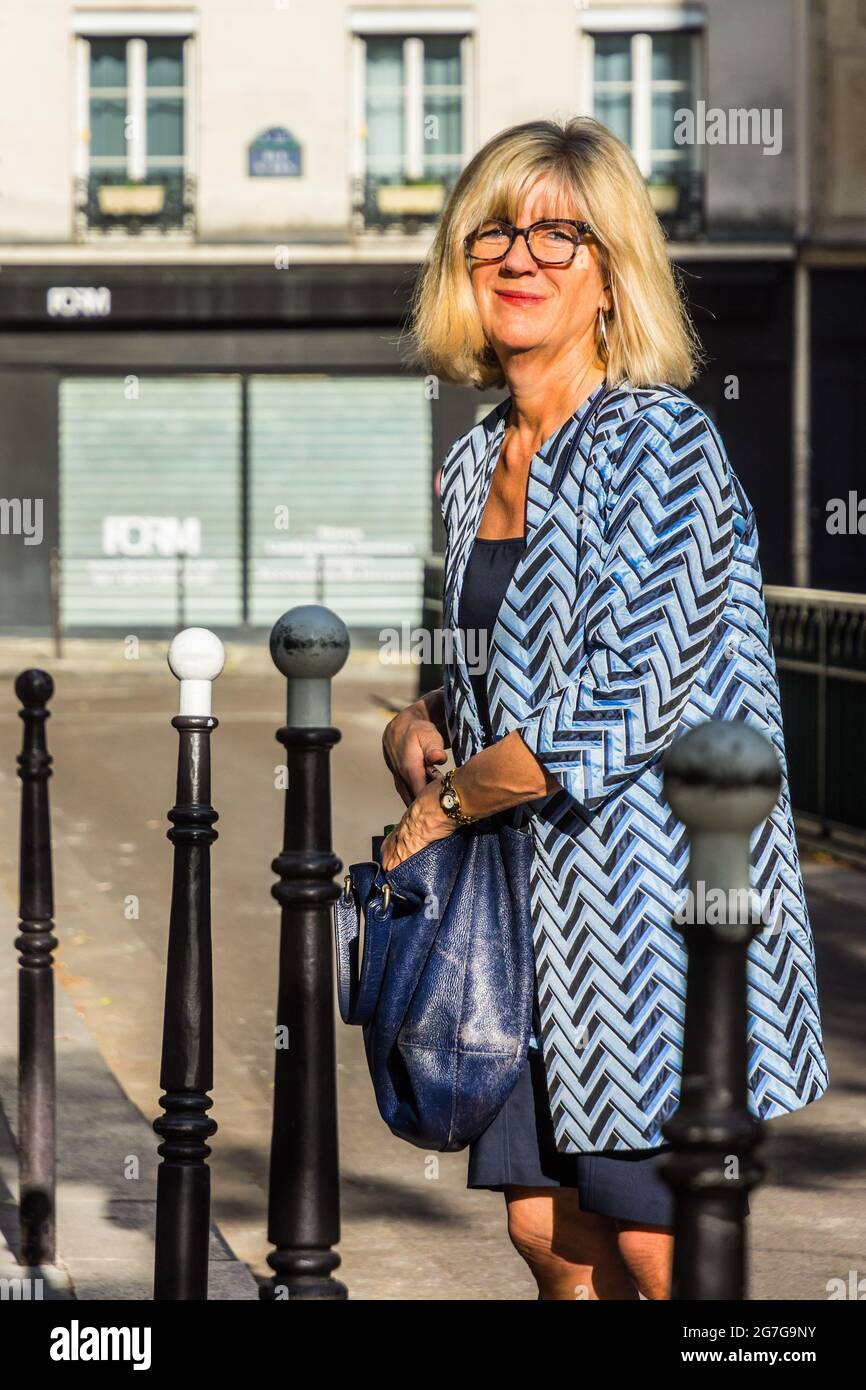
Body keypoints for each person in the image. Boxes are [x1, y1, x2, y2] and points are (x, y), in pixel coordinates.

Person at [380, 116, 828, 1301]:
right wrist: (418, 722)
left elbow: (619, 704)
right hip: (523, 917)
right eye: (496, 230)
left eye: (559, 235)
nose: (519, 257)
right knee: (547, 1235)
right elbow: (509, 662)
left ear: (610, 277)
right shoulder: (473, 461)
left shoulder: (656, 445)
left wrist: (437, 809)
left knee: (653, 1242)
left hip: (650, 920)